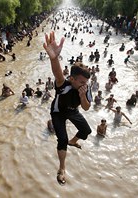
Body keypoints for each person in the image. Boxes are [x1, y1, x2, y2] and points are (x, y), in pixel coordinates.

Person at [43, 31, 92, 185]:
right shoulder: (63, 85)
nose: (84, 85)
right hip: (58, 112)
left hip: (72, 110)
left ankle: (73, 141)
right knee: (61, 139)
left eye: (86, 82)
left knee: (86, 131)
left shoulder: (86, 88)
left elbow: (86, 108)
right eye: (81, 82)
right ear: (72, 79)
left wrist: (83, 95)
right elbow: (57, 73)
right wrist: (54, 58)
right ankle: (62, 168)